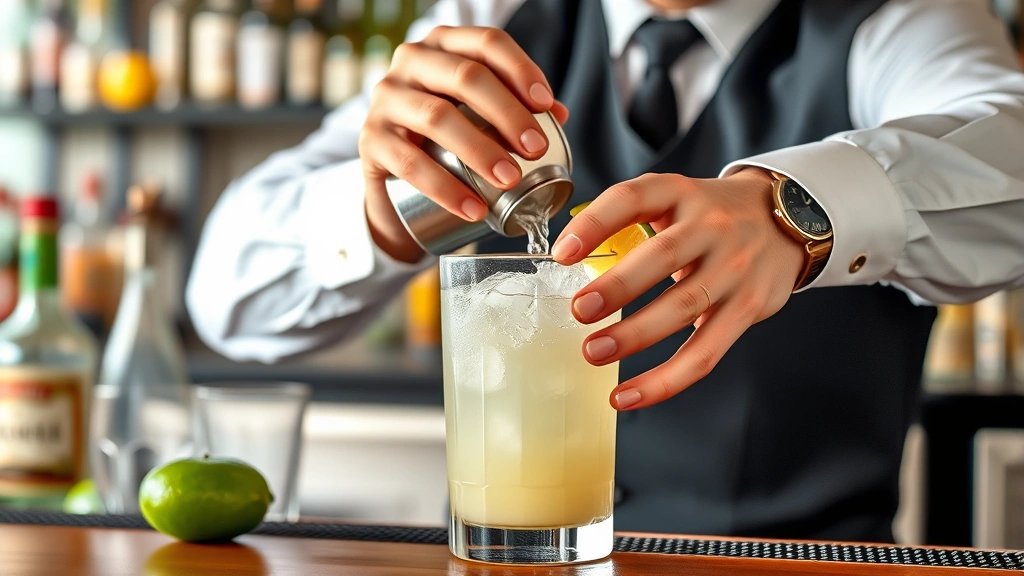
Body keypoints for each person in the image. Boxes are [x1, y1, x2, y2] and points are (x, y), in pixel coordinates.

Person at [186, 0, 1024, 542]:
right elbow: (226, 301)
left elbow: (1011, 144)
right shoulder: (495, 18)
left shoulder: (898, 17)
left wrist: (796, 207)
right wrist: (387, 208)